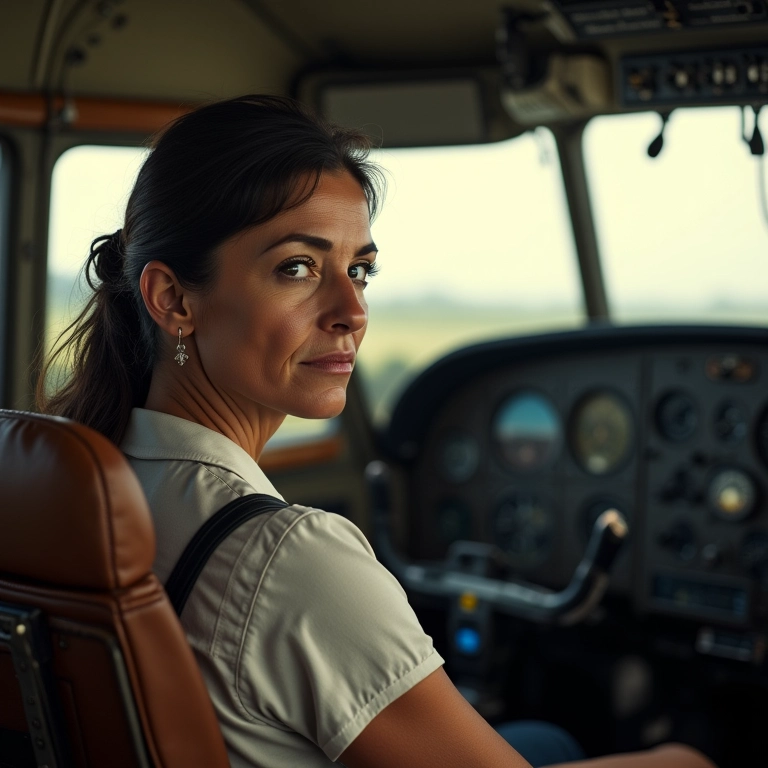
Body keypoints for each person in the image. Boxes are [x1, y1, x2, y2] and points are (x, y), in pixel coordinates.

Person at [38, 95, 716, 768]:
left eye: (359, 269)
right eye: (297, 268)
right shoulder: (290, 560)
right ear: (173, 300)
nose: (352, 310)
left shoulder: (75, 483)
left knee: (546, 741)